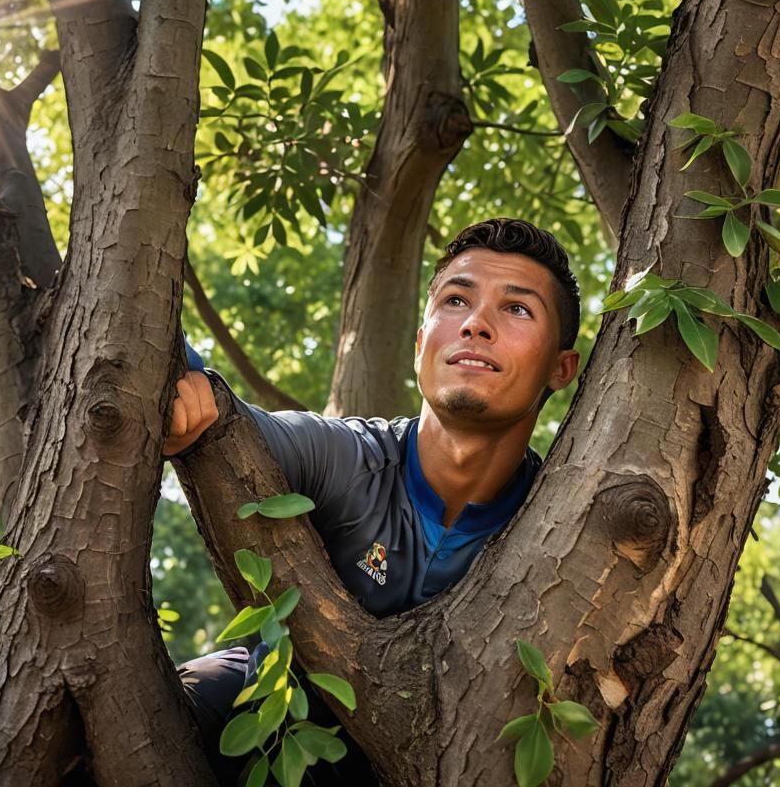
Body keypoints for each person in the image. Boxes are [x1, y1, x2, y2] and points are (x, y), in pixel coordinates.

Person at [166, 218, 581, 782]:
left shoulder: (566, 530)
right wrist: (195, 393)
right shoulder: (346, 456)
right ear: (419, 347)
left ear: (562, 367)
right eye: (456, 299)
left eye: (517, 309)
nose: (477, 324)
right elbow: (230, 418)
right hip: (260, 724)